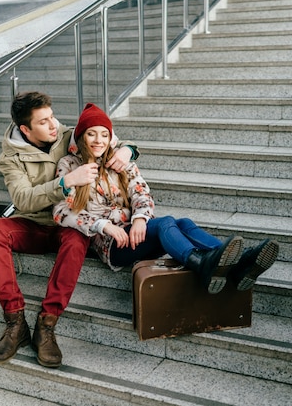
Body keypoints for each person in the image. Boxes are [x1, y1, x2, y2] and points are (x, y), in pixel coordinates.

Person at [53, 103, 279, 295]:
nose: (98, 140)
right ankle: (206, 265)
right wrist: (104, 227)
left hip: (134, 231)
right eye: (91, 133)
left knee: (184, 224)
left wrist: (141, 218)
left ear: (111, 137)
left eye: (104, 134)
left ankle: (235, 265)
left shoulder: (120, 161)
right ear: (81, 136)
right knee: (167, 222)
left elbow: (141, 192)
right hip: (112, 244)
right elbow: (62, 211)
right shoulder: (69, 165)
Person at [0, 92, 138, 368]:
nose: (53, 124)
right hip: (36, 225)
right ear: (25, 129)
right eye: (44, 122)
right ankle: (15, 323)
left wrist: (129, 149)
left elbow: (109, 139)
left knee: (77, 235)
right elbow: (22, 199)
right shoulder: (10, 158)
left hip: (69, 223)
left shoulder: (66, 135)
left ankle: (47, 324)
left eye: (52, 116)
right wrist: (65, 182)